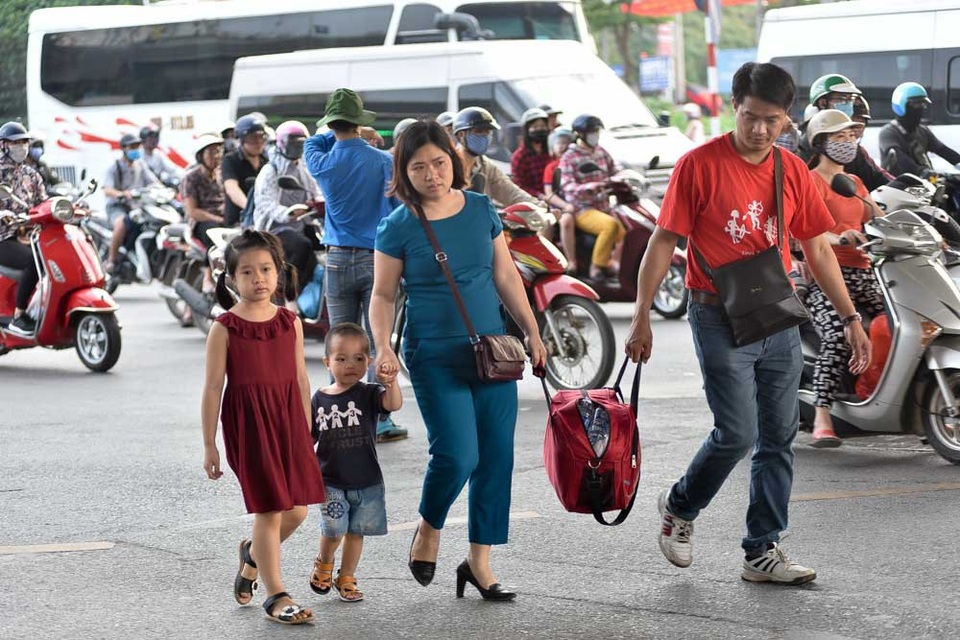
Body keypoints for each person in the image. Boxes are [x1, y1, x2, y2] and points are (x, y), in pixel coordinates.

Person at [625, 62, 871, 585]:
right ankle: (680, 505)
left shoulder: (792, 170)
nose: (760, 129)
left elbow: (818, 250)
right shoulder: (698, 165)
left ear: (788, 121)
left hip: (777, 312)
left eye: (773, 120)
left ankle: (762, 549)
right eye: (750, 117)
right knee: (737, 433)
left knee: (779, 435)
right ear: (732, 108)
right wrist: (642, 316)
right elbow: (663, 241)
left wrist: (849, 317)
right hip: (715, 310)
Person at [369, 120, 547, 600]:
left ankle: (479, 561)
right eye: (419, 166)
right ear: (404, 172)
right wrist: (382, 345)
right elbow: (383, 295)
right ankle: (428, 527)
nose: (433, 174)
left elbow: (506, 276)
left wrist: (531, 331)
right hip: (433, 353)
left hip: (492, 351)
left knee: (495, 457)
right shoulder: (399, 224)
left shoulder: (481, 209)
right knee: (456, 454)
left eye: (440, 163)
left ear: (455, 160)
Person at [202, 229, 325, 625]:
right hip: (249, 426)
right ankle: (276, 594)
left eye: (267, 269)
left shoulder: (289, 322)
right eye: (248, 272)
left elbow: (302, 381)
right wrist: (210, 445)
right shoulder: (224, 328)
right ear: (231, 279)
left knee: (299, 511)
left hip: (289, 422)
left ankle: (252, 555)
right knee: (271, 509)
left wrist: (306, 432)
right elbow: (212, 388)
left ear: (279, 273)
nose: (259, 279)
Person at [304, 88, 408, 443]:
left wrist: (341, 131)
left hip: (336, 260)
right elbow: (396, 210)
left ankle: (344, 414)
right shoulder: (382, 161)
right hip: (376, 258)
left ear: (332, 124)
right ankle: (381, 419)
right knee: (378, 340)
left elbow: (311, 144)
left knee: (340, 341)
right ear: (361, 121)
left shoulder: (325, 161)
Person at [805, 109, 886, 447]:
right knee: (838, 336)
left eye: (851, 137)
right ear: (821, 142)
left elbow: (881, 216)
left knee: (914, 320)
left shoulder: (854, 183)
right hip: (828, 275)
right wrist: (839, 238)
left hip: (865, 271)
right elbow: (804, 233)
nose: (848, 142)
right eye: (840, 137)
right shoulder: (810, 181)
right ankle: (822, 413)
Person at [308, 322, 402, 603]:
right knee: (334, 529)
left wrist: (391, 382)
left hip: (367, 478)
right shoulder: (319, 398)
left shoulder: (369, 393)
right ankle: (324, 563)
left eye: (359, 359)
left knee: (356, 532)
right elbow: (308, 437)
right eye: (341, 358)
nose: (350, 365)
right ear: (327, 362)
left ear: (369, 362)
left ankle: (346, 576)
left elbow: (393, 404)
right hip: (330, 480)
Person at [253, 120, 323, 297]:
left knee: (323, 247)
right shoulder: (271, 170)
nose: (297, 148)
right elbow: (265, 202)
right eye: (293, 143)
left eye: (300, 144)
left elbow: (314, 190)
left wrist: (317, 203)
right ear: (282, 143)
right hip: (273, 228)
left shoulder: (303, 167)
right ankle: (282, 292)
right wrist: (288, 213)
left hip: (299, 224)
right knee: (302, 246)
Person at [558, 114, 626, 281]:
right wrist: (592, 186)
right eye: (592, 132)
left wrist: (623, 175)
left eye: (597, 131)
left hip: (604, 206)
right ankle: (596, 268)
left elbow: (614, 168)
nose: (595, 135)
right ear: (581, 134)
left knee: (626, 231)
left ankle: (613, 265)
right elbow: (567, 185)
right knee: (610, 226)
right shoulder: (570, 157)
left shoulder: (601, 152)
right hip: (583, 210)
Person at [0, 121, 47, 335]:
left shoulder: (31, 174)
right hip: (4, 237)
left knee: (54, 257)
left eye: (24, 142)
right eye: (15, 142)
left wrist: (68, 206)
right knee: (34, 261)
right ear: (3, 145)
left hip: (31, 235)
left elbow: (43, 203)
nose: (21, 146)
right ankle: (19, 315)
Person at [452, 107, 535, 208]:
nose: (485, 136)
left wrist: (541, 207)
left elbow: (512, 193)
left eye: (488, 132)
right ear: (461, 135)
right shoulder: (448, 165)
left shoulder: (486, 166)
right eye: (479, 131)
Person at [101, 133, 159, 273]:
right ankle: (111, 260)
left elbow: (154, 182)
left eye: (137, 146)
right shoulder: (114, 167)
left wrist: (165, 190)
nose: (136, 150)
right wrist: (121, 194)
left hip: (137, 207)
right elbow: (107, 189)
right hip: (117, 207)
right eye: (132, 147)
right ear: (124, 149)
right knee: (121, 224)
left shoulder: (140, 165)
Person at [880, 82, 960, 177]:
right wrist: (922, 171)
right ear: (901, 105)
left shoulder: (922, 131)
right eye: (916, 104)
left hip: (922, 184)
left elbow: (944, 151)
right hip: (898, 184)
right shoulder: (889, 132)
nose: (920, 108)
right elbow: (899, 158)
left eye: (923, 104)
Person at [222, 113, 269, 227]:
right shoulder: (230, 160)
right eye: (252, 138)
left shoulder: (267, 161)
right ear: (241, 140)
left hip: (264, 218)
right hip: (239, 221)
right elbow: (232, 189)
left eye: (261, 137)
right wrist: (250, 207)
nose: (258, 142)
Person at [181, 134, 225, 251]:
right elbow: (193, 211)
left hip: (224, 219)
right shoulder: (191, 178)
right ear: (200, 156)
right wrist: (217, 219)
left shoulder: (223, 175)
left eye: (218, 152)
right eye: (211, 152)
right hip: (203, 223)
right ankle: (208, 269)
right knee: (215, 241)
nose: (216, 156)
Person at [541, 128, 577, 269]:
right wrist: (565, 205)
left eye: (566, 143)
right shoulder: (551, 168)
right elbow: (549, 194)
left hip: (579, 206)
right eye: (559, 143)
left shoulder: (575, 164)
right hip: (561, 207)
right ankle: (548, 261)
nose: (563, 147)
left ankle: (572, 261)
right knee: (548, 222)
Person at [510, 108, 554, 197]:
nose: (540, 129)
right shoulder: (520, 157)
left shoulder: (551, 151)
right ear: (527, 130)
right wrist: (540, 196)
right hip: (533, 201)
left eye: (542, 126)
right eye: (535, 127)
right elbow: (520, 186)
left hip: (555, 197)